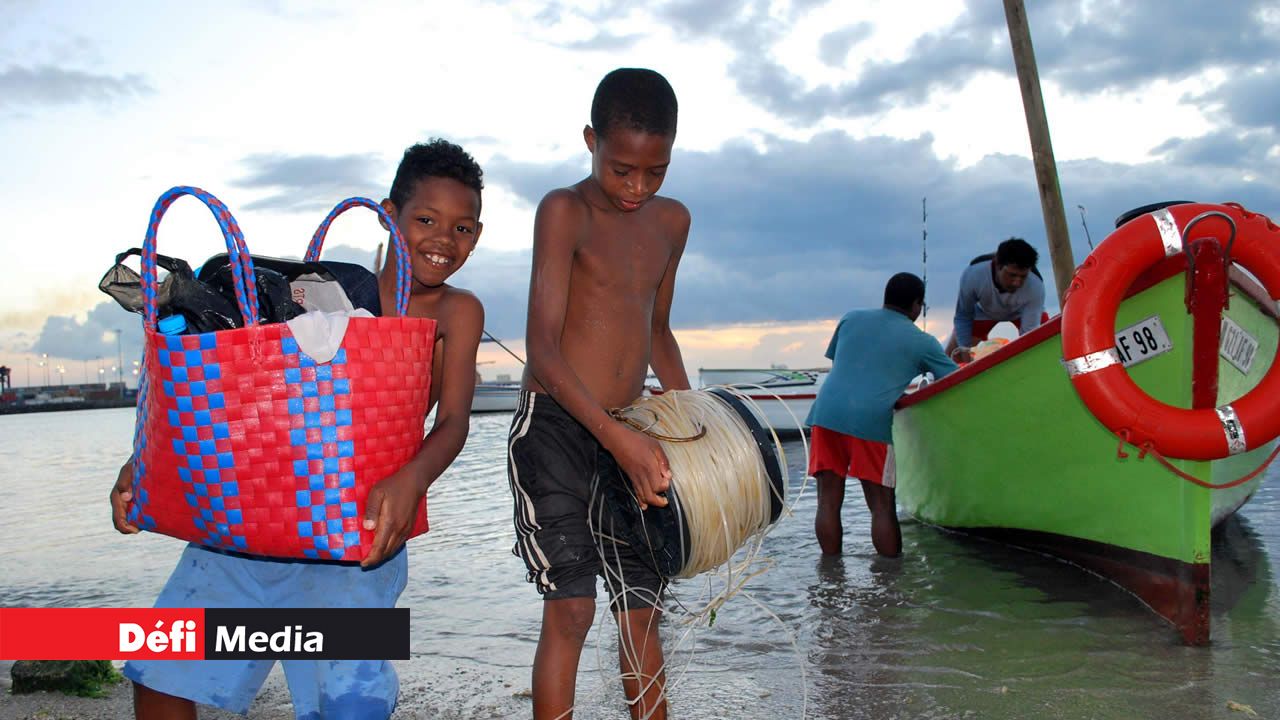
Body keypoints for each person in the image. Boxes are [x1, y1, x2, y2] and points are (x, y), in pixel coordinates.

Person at [108, 138, 486, 720]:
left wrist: (412, 480)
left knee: (349, 704)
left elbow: (454, 422)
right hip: (247, 524)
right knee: (163, 674)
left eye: (463, 229)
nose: (443, 240)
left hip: (358, 536)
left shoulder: (458, 312)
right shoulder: (310, 294)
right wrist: (144, 467)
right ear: (389, 215)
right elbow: (230, 406)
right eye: (427, 219)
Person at [507, 67, 690, 720]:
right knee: (573, 608)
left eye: (655, 171)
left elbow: (658, 331)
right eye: (621, 170)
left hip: (630, 427)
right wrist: (619, 440)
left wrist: (692, 427)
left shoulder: (672, 223)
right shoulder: (565, 210)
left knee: (642, 611)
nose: (638, 187)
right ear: (591, 141)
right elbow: (544, 350)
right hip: (555, 426)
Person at [807, 272, 957, 558]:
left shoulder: (851, 319)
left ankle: (830, 575)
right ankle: (890, 582)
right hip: (871, 421)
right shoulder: (922, 341)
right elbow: (954, 380)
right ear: (917, 305)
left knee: (827, 502)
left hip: (825, 414)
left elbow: (853, 367)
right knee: (880, 505)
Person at [945, 237, 1047, 363]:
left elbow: (1029, 336)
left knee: (1044, 340)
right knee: (954, 354)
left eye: (1023, 276)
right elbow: (963, 316)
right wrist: (966, 353)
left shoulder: (1035, 286)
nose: (1017, 282)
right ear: (997, 265)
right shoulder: (973, 274)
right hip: (984, 312)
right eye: (1012, 275)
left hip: (1022, 313)